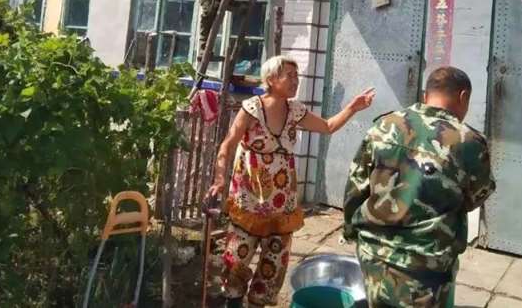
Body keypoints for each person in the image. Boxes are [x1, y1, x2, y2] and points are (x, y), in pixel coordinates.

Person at [206, 55, 375, 307]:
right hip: (249, 201)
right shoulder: (252, 109)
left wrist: (353, 107)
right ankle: (232, 301)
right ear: (271, 79)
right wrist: (220, 177)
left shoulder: (295, 110)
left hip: (282, 205)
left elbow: (328, 126)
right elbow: (228, 145)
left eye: (297, 76)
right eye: (290, 76)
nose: (296, 81)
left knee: (272, 267)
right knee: (236, 261)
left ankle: (257, 303)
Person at [343, 66, 495, 308]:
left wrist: (351, 231)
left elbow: (356, 186)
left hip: (374, 255)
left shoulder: (383, 126)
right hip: (425, 267)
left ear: (426, 95)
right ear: (463, 96)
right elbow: (476, 196)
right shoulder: (468, 142)